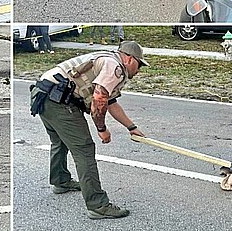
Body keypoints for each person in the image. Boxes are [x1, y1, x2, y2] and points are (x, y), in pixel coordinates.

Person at [29, 41, 149, 220]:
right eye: (139, 65)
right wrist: (102, 129)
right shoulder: (114, 66)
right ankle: (98, 205)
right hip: (59, 101)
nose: (139, 70)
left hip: (43, 95)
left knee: (60, 141)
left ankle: (60, 180)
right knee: (84, 149)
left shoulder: (106, 58)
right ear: (130, 59)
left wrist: (131, 127)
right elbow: (99, 99)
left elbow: (110, 101)